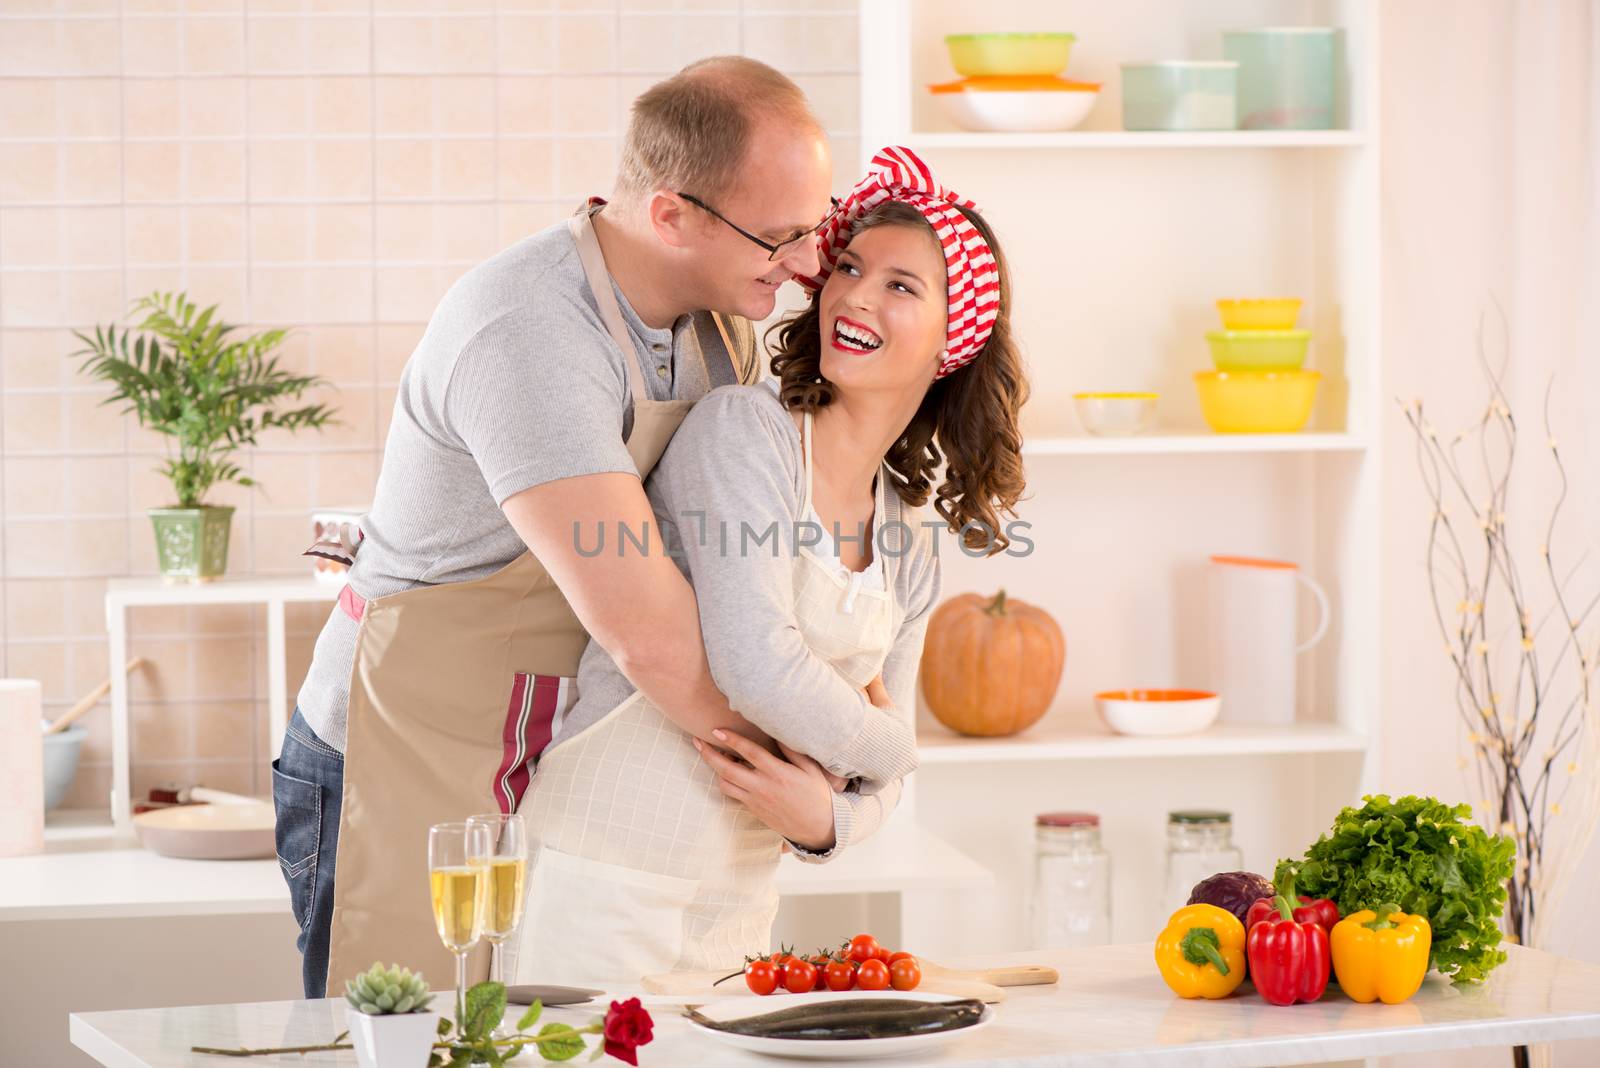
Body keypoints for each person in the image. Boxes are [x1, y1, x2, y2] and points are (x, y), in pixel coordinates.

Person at [272, 56, 842, 998]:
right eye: (779, 238)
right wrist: (821, 787)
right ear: (671, 215)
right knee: (413, 1040)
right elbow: (651, 636)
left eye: (814, 229)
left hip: (539, 748)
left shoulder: (719, 323)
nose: (809, 266)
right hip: (399, 749)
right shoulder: (529, 333)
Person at [512, 146, 1028, 987]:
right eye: (849, 266)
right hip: (603, 874)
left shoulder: (908, 539)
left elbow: (879, 766)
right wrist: (890, 750)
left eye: (902, 285)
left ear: (953, 341)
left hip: (738, 904)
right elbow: (758, 665)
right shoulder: (743, 433)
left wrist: (829, 821)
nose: (855, 294)